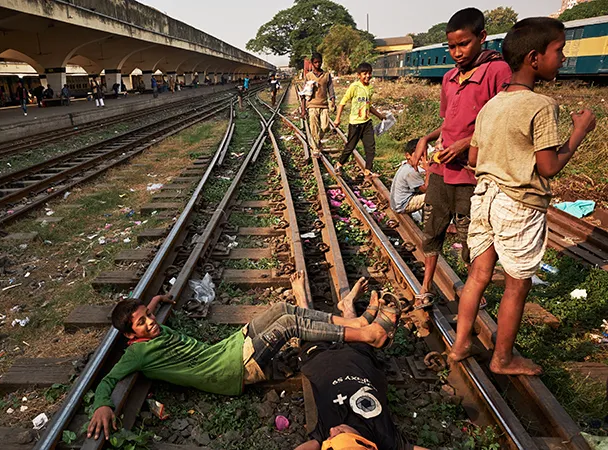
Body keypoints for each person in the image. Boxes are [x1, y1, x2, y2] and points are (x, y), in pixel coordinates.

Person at [87, 273, 400, 440]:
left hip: (225, 349)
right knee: (288, 325)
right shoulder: (136, 354)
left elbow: (149, 314)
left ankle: (355, 322)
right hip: (231, 370)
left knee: (280, 309)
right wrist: (103, 404)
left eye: (148, 316)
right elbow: (109, 379)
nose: (150, 322)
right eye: (142, 322)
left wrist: (155, 301)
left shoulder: (148, 327)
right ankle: (367, 334)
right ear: (130, 336)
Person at [450, 18, 596, 376]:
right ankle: (502, 359)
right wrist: (578, 133)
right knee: (517, 283)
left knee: (477, 275)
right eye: (558, 50)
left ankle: (459, 344)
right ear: (534, 58)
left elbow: (472, 158)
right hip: (518, 204)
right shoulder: (541, 105)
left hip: (483, 197)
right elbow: (547, 167)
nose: (562, 58)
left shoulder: (492, 105)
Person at [407, 8, 512, 309]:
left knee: (471, 236)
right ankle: (425, 286)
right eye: (452, 46)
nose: (457, 52)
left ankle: (472, 291)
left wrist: (467, 143)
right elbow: (448, 124)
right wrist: (427, 139)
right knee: (433, 228)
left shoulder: (498, 72)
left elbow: (501, 121)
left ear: (482, 37)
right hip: (442, 168)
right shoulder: (450, 77)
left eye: (463, 44)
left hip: (473, 173)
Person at [296, 342, 428, 450]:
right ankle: (348, 309)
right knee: (355, 324)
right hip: (359, 356)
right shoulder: (385, 437)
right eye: (340, 434)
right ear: (364, 443)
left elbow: (312, 445)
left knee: (308, 324)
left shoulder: (325, 432)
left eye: (330, 438)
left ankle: (306, 308)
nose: (332, 430)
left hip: (318, 358)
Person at [335, 63, 387, 175]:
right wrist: (337, 118)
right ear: (359, 75)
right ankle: (339, 164)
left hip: (367, 123)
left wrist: (380, 116)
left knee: (370, 147)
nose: (368, 76)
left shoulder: (370, 88)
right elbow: (342, 102)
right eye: (365, 74)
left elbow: (369, 105)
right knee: (350, 147)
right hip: (355, 124)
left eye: (369, 73)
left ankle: (367, 171)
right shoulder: (354, 87)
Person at [301, 53, 336, 156]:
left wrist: (333, 100)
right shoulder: (308, 76)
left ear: (322, 62)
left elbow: (331, 89)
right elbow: (304, 93)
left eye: (319, 62)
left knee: (325, 127)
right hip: (312, 105)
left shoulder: (326, 75)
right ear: (312, 63)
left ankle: (318, 139)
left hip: (324, 104)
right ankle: (315, 148)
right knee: (314, 127)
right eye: (315, 62)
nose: (317, 64)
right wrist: (303, 109)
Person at [389, 139, 428, 215]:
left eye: (423, 155)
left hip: (397, 204)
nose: (421, 158)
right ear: (408, 155)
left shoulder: (405, 166)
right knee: (433, 196)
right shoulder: (410, 171)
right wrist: (428, 171)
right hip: (403, 205)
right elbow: (426, 190)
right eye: (419, 155)